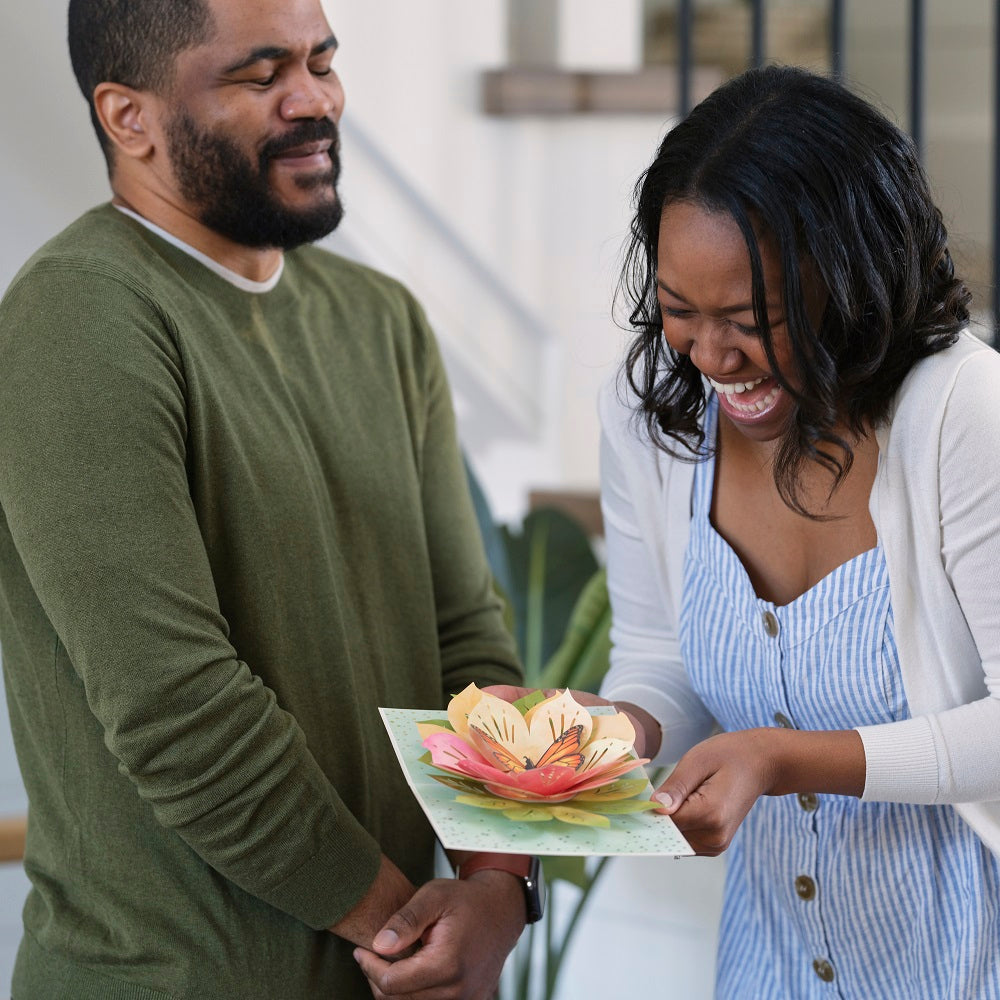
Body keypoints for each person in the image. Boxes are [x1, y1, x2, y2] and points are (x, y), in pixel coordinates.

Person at [0, 0, 535, 997]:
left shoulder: (381, 320)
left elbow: (466, 637)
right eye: (259, 76)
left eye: (322, 62)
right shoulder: (78, 316)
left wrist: (499, 888)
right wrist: (404, 931)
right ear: (130, 118)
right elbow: (178, 708)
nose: (315, 100)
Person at [597, 65, 1000, 997]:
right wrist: (604, 734)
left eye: (750, 320)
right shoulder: (651, 419)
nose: (710, 357)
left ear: (852, 278)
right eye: (679, 312)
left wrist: (783, 759)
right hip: (770, 967)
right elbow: (660, 654)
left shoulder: (961, 413)